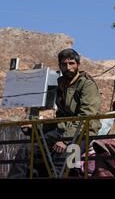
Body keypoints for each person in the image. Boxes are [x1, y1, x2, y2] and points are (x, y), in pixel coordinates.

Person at [8, 48, 102, 178]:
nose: (68, 67)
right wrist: (38, 127)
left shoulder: (87, 85)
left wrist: (65, 140)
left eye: (71, 63)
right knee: (27, 150)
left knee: (63, 158)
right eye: (64, 64)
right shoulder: (61, 84)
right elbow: (60, 117)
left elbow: (87, 117)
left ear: (78, 65)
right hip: (62, 129)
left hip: (84, 132)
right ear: (60, 66)